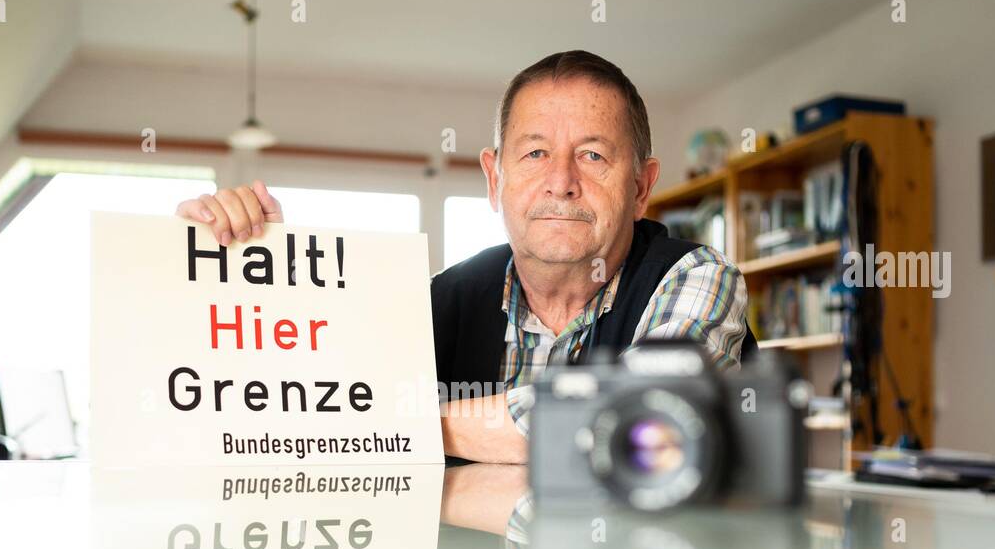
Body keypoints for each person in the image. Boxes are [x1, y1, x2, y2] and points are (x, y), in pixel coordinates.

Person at [177, 50, 751, 464]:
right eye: (533, 153)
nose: (561, 182)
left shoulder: (697, 279)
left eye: (594, 155)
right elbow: (293, 426)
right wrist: (255, 280)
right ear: (494, 178)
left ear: (641, 187)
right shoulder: (437, 301)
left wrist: (387, 427)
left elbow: (646, 420)